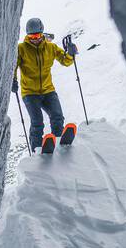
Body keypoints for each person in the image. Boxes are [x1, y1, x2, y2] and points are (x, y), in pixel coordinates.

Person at [12, 17, 77, 151]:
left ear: (42, 33)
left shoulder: (51, 47)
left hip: (48, 90)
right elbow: (13, 66)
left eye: (37, 35)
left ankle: (58, 142)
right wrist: (12, 81)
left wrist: (70, 54)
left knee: (57, 117)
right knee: (37, 123)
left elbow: (65, 61)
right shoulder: (21, 49)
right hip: (30, 93)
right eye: (31, 36)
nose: (34, 38)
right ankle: (36, 150)